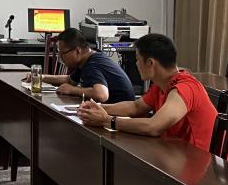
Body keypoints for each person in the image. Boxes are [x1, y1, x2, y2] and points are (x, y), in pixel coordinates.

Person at [77, 33, 217, 150]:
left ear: (150, 63)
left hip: (197, 160)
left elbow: (154, 126)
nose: (136, 64)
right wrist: (97, 107)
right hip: (175, 152)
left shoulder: (185, 88)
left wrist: (107, 120)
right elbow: (135, 107)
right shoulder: (161, 85)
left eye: (137, 59)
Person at [38, 27, 135, 103]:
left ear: (77, 51)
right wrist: (40, 77)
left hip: (121, 114)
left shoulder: (92, 65)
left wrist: (72, 90)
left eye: (63, 53)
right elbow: (70, 80)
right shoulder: (88, 58)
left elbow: (101, 95)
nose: (60, 57)